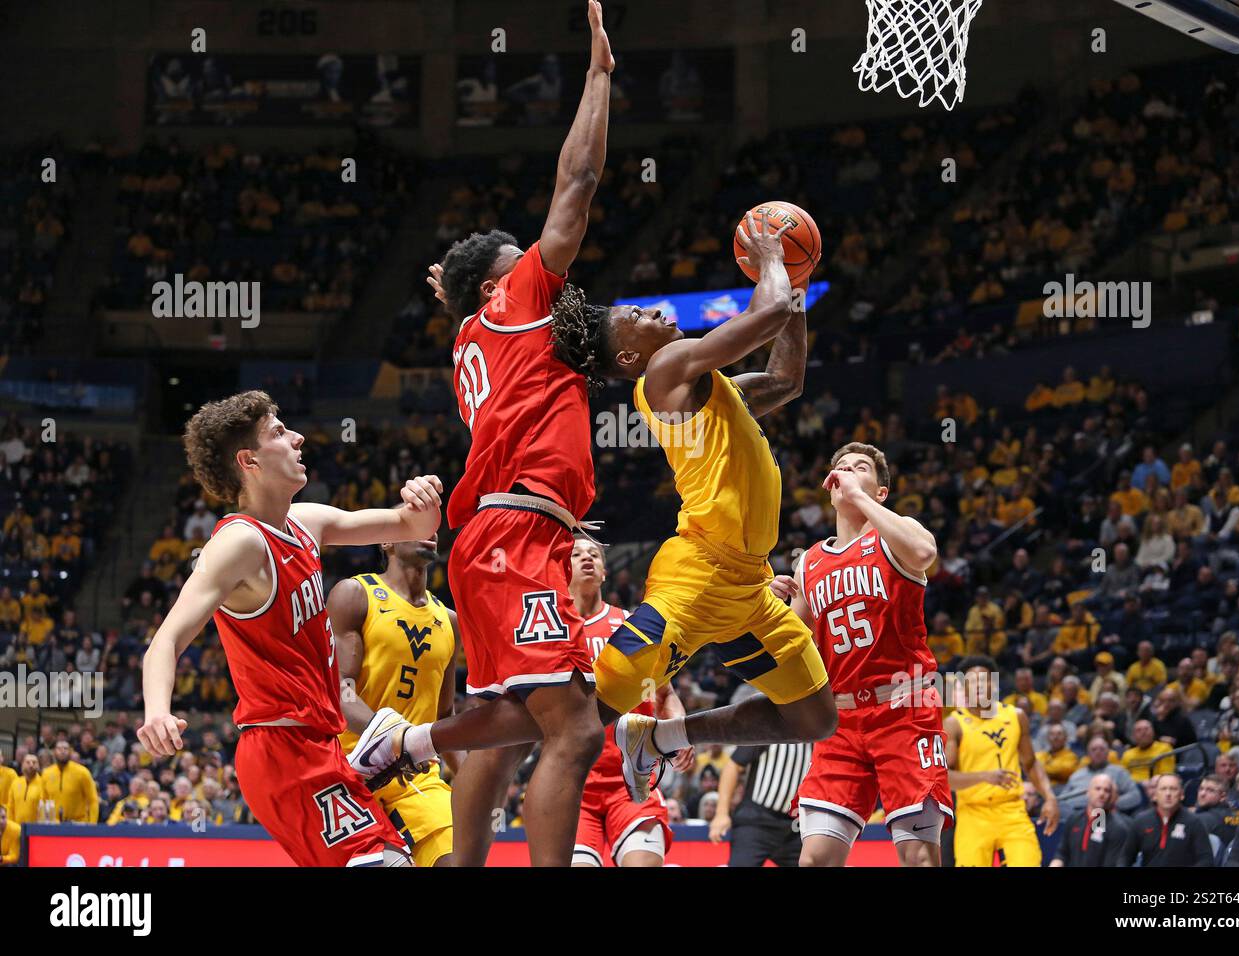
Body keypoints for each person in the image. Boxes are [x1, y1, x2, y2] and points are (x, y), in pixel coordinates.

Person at [388, 208, 835, 813]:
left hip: (749, 586)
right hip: (695, 574)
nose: (653, 313)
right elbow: (767, 313)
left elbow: (787, 377)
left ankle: (660, 736)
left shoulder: (709, 384)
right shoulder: (668, 371)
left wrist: (798, 298)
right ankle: (418, 745)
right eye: (636, 315)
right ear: (626, 358)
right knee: (570, 720)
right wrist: (778, 259)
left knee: (812, 717)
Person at [381, 2, 616, 867]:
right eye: (520, 265)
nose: (545, 272)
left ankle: (439, 820)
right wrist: (597, 78)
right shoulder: (514, 305)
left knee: (503, 734)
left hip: (499, 536)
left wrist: (460, 280)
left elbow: (482, 296)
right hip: (516, 531)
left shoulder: (471, 341)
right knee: (577, 731)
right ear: (496, 289)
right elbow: (578, 188)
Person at [138, 390, 443, 866]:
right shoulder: (240, 541)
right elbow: (167, 639)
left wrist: (421, 497)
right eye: (279, 432)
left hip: (321, 744)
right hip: (281, 748)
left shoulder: (307, 522)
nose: (299, 437)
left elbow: (410, 524)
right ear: (249, 460)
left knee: (392, 857)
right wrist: (157, 711)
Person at [776, 441, 951, 867]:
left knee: (919, 859)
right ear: (828, 486)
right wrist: (770, 605)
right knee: (814, 860)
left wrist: (858, 498)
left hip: (904, 710)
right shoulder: (810, 561)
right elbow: (795, 644)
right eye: (841, 468)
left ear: (881, 492)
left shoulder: (898, 534)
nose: (848, 472)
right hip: (840, 720)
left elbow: (926, 554)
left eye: (861, 469)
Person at [327, 536, 461, 866]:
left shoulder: (450, 620)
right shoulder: (355, 594)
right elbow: (341, 691)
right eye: (414, 523)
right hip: (349, 769)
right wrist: (392, 736)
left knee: (460, 858)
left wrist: (476, 777)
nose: (428, 532)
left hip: (416, 776)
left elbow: (445, 714)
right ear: (386, 541)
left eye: (432, 527)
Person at [568, 539, 690, 867]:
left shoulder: (630, 624)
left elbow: (664, 693)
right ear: (564, 568)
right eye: (577, 554)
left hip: (631, 778)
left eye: (594, 554)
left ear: (606, 572)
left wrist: (679, 732)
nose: (587, 559)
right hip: (572, 780)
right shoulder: (554, 631)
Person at [944, 656, 1060, 866]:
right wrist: (984, 777)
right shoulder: (954, 724)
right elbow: (944, 777)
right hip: (973, 813)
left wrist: (1050, 797)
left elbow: (1031, 763)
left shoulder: (1016, 716)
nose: (978, 685)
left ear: (993, 683)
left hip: (1012, 810)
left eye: (984, 679)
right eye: (971, 681)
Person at [709, 686, 811, 868]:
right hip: (756, 821)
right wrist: (721, 813)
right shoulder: (770, 730)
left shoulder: (818, 736)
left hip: (795, 827)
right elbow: (733, 766)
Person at [1123, 772, 1213, 866]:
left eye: (1173, 789)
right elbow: (1125, 857)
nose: (1168, 793)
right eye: (1163, 789)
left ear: (1182, 794)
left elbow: (1206, 860)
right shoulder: (1141, 821)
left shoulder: (1194, 822)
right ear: (1155, 795)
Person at [1050, 774, 1131, 867]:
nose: (1102, 794)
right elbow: (1062, 853)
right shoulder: (1074, 819)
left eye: (1107, 790)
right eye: (1098, 788)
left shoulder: (1117, 828)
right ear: (1087, 792)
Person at [39, 739, 98, 823]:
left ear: (70, 752)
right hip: (54, 825)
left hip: (78, 824)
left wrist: (93, 824)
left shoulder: (82, 772)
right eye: (59, 749)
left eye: (65, 749)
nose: (62, 751)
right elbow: (43, 801)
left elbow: (93, 800)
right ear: (54, 752)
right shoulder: (46, 773)